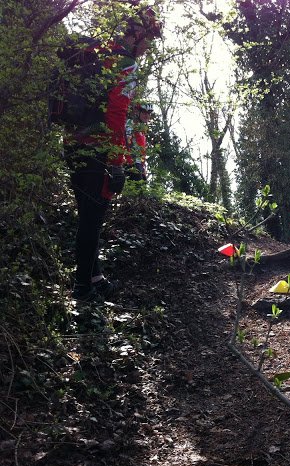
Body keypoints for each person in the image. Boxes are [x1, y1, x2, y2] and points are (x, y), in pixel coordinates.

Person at [65, 7, 162, 301]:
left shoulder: (96, 53)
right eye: (148, 39)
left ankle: (94, 276)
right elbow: (118, 114)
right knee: (92, 219)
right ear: (135, 33)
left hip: (73, 143)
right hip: (99, 149)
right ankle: (82, 288)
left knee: (87, 214)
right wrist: (118, 163)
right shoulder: (125, 62)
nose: (148, 47)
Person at [125, 102, 153, 181]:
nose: (147, 115)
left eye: (149, 113)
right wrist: (130, 163)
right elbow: (126, 143)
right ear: (137, 112)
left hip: (139, 164)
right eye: (144, 112)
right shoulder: (130, 124)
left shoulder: (141, 128)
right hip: (131, 164)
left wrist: (143, 169)